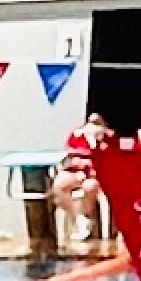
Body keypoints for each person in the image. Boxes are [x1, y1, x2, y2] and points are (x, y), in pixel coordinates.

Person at [51, 108, 115, 254]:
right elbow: (70, 156)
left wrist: (90, 166)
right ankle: (78, 218)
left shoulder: (109, 138)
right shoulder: (76, 135)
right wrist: (79, 166)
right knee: (60, 184)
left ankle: (88, 219)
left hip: (95, 175)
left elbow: (109, 161)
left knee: (90, 187)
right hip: (76, 171)